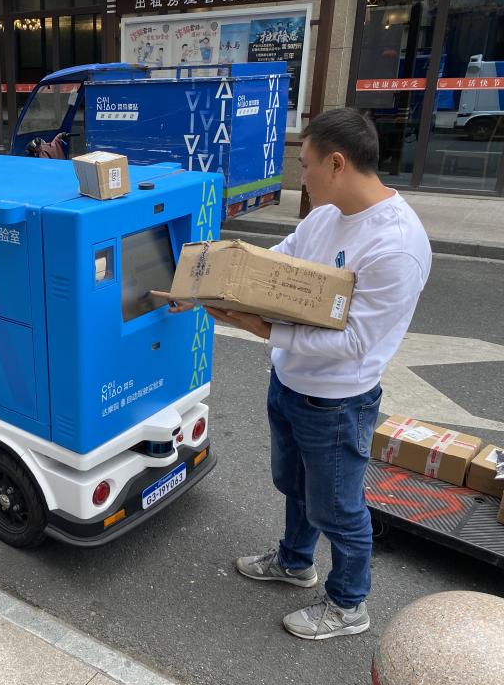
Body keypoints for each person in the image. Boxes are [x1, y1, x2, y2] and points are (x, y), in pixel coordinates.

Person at [162, 108, 432, 639]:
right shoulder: (326, 215)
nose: (300, 177)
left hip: (337, 402)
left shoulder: (396, 246)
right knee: (294, 485)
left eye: (305, 166)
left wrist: (259, 329)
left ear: (337, 163)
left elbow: (354, 340)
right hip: (290, 383)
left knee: (339, 508)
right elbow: (276, 266)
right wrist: (204, 287)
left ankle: (349, 604)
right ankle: (294, 562)